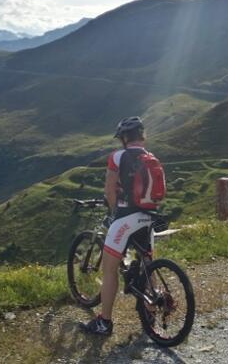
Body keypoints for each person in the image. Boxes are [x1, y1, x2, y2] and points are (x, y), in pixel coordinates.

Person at [80, 116, 156, 336]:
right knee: (148, 263)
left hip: (126, 218)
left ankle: (104, 323)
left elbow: (109, 190)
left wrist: (115, 212)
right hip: (148, 217)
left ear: (124, 138)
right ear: (141, 136)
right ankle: (151, 309)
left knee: (109, 269)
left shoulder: (117, 157)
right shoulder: (151, 157)